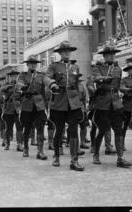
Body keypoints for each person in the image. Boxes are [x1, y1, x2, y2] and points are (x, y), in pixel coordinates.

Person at [88, 45, 132, 168]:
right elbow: (95, 78)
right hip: (102, 103)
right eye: (109, 55)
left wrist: (126, 89)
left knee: (118, 130)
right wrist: (104, 78)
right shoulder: (98, 67)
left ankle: (120, 158)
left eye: (113, 54)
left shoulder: (118, 69)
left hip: (116, 103)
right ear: (104, 56)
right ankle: (96, 154)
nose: (111, 56)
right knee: (102, 130)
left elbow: (118, 86)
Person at [44, 41, 85, 171]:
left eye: (68, 51)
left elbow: (78, 85)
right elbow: (46, 78)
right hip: (59, 102)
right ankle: (56, 156)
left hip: (73, 103)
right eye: (64, 51)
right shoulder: (54, 66)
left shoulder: (75, 67)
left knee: (73, 130)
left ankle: (74, 160)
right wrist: (52, 84)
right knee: (59, 131)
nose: (67, 53)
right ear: (60, 53)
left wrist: (81, 103)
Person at [18, 55, 48, 160]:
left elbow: (44, 92)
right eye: (31, 64)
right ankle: (26, 148)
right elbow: (19, 85)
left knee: (40, 127)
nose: (33, 65)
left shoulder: (41, 75)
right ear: (27, 65)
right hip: (27, 104)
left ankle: (40, 151)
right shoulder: (22, 75)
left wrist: (46, 107)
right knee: (27, 127)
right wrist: (23, 87)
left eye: (34, 64)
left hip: (39, 104)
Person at [1, 69, 19, 150]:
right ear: (10, 76)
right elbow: (0, 94)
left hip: (18, 109)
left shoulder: (20, 84)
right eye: (12, 75)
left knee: (19, 127)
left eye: (15, 75)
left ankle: (19, 144)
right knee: (8, 127)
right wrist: (6, 88)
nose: (14, 77)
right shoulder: (6, 85)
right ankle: (7, 143)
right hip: (8, 109)